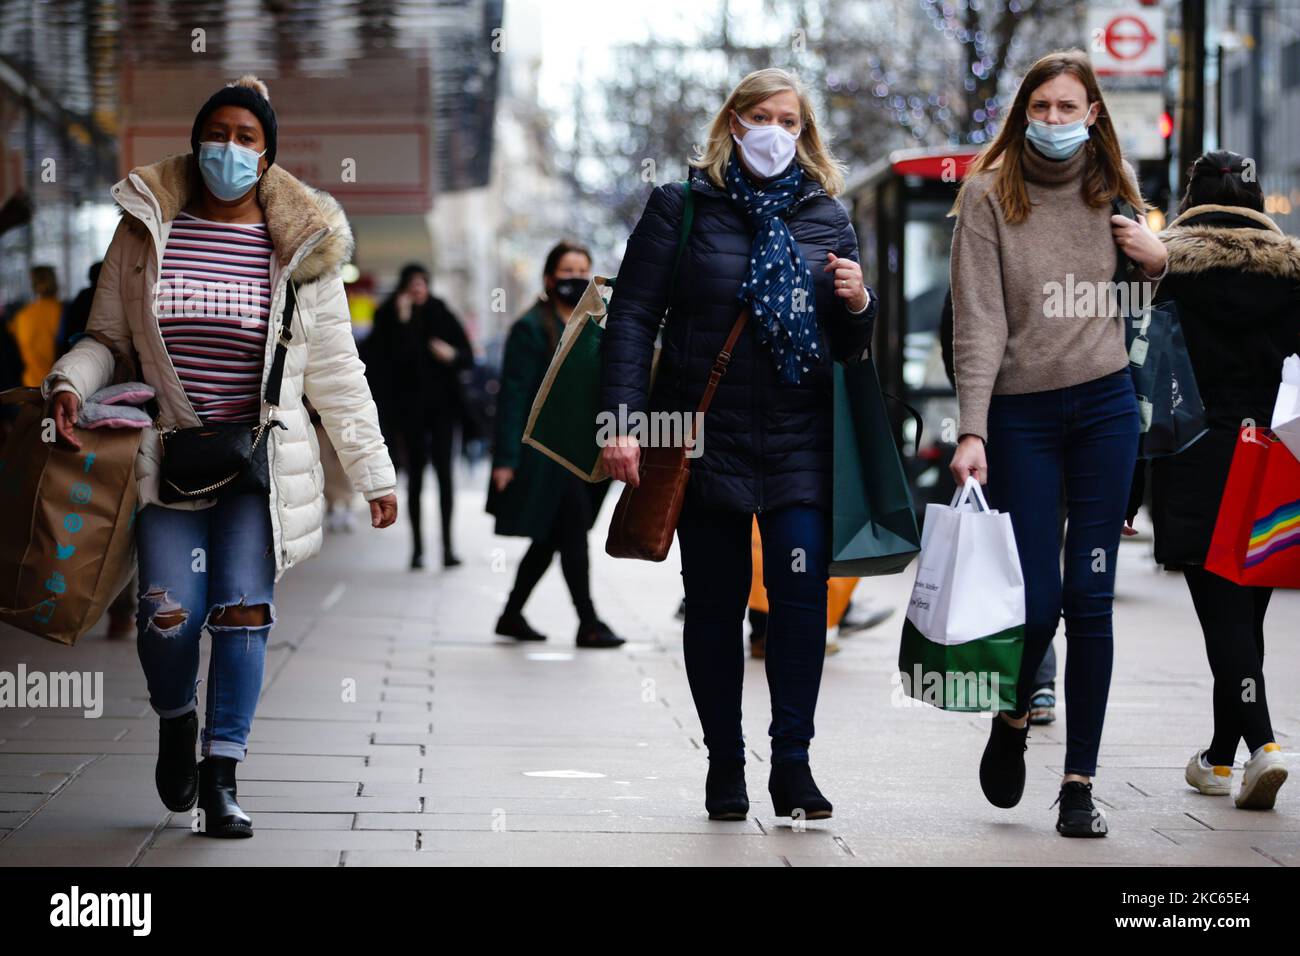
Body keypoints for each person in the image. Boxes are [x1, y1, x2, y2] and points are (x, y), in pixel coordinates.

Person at [45, 74, 398, 838]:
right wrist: (71, 382)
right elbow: (105, 338)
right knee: (167, 616)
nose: (229, 149)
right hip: (166, 455)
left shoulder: (301, 248)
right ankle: (177, 718)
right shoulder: (145, 229)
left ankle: (222, 776)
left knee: (243, 610)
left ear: (268, 155)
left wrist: (373, 473)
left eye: (247, 137)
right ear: (196, 140)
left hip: (255, 464)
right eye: (219, 133)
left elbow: (337, 371)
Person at [600, 68, 875, 821]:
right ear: (732, 123)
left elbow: (849, 346)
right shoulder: (681, 208)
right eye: (759, 115)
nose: (773, 131)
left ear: (805, 133)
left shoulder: (827, 216)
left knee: (797, 603)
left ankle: (793, 762)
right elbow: (631, 318)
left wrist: (858, 303)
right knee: (717, 608)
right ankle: (726, 761)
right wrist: (621, 419)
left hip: (799, 444)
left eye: (789, 119)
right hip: (703, 441)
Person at [947, 49, 1168, 837]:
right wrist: (971, 426)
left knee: (1092, 598)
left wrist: (1160, 259)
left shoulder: (1114, 190)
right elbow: (979, 320)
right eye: (1040, 109)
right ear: (1022, 113)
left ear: (1093, 114)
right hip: (1021, 417)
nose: (1052, 122)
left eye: (1067, 109)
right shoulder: (985, 196)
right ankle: (1011, 719)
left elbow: (1139, 307)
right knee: (1037, 600)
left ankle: (1079, 782)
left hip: (1106, 408)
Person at [1129, 150, 1296, 810]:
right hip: (1275, 458)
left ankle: (1263, 745)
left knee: (1222, 617)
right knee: (1242, 617)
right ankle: (1220, 757)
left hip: (1196, 457)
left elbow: (1145, 384)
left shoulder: (1165, 273)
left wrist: (1130, 491)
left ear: (1191, 200)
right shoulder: (1293, 279)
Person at [488, 240, 623, 648]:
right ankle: (589, 622)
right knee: (572, 532)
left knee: (552, 536)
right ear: (549, 279)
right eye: (567, 271)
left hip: (584, 452)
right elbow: (512, 396)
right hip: (546, 454)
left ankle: (511, 615)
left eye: (583, 269)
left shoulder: (597, 321)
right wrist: (506, 459)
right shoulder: (530, 328)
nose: (576, 278)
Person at [366, 263, 473, 569]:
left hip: (443, 411)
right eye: (412, 284)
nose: (418, 290)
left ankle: (448, 547)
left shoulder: (441, 312)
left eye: (422, 283)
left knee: (445, 477)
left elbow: (466, 357)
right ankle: (417, 549)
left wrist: (450, 355)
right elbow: (382, 361)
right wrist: (402, 321)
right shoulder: (389, 315)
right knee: (415, 480)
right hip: (408, 412)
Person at [12, 265, 62, 386]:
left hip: (29, 387)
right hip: (60, 385)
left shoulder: (22, 316)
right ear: (55, 283)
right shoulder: (63, 312)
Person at [58, 262, 103, 354]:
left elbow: (70, 325)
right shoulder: (109, 297)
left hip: (81, 344)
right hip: (100, 344)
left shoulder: (83, 295)